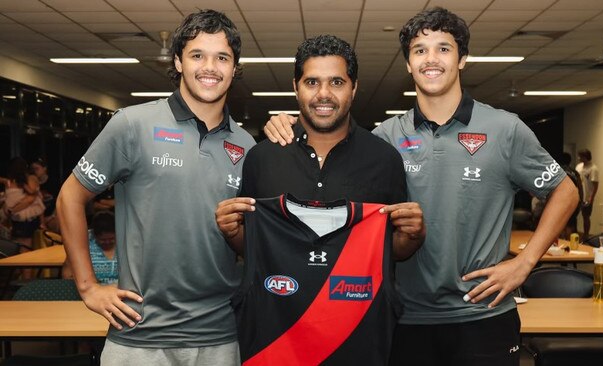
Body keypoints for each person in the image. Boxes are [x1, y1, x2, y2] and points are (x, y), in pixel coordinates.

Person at [263, 7, 578, 365]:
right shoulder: (384, 139)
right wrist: (290, 124)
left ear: (462, 59)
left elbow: (565, 191)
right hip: (404, 317)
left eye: (443, 48)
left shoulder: (505, 129)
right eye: (419, 50)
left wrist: (524, 263)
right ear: (408, 65)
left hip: (483, 315)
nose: (431, 59)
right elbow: (328, 144)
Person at [56, 9, 255, 366]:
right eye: (197, 55)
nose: (210, 67)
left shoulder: (246, 146)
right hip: (138, 335)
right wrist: (88, 287)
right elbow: (70, 196)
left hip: (220, 336)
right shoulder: (133, 124)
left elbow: (250, 239)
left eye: (222, 57)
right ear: (178, 61)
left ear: (234, 67)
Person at [216, 35, 425, 365]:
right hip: (276, 342)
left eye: (336, 82)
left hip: (357, 342)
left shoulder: (384, 159)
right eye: (312, 81)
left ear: (353, 88)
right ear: (296, 87)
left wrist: (411, 236)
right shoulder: (262, 158)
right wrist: (233, 232)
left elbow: (389, 253)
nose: (324, 94)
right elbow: (257, 250)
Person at [63, 211, 118, 285]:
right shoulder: (83, 241)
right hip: (91, 290)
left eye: (111, 238)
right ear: (94, 235)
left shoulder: (125, 242)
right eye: (103, 240)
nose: (107, 242)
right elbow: (68, 274)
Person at [559, 152, 583, 238]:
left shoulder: (558, 171)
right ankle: (569, 244)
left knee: (560, 223)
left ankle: (561, 243)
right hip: (573, 201)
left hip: (561, 201)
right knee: (571, 223)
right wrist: (581, 200)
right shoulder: (575, 172)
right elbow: (580, 187)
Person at [576, 148, 599, 238]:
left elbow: (595, 185)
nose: (578, 158)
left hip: (587, 197)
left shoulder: (593, 169)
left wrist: (591, 198)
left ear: (585, 157)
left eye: (580, 156)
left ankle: (586, 236)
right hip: (578, 196)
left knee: (586, 217)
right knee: (574, 216)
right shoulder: (578, 167)